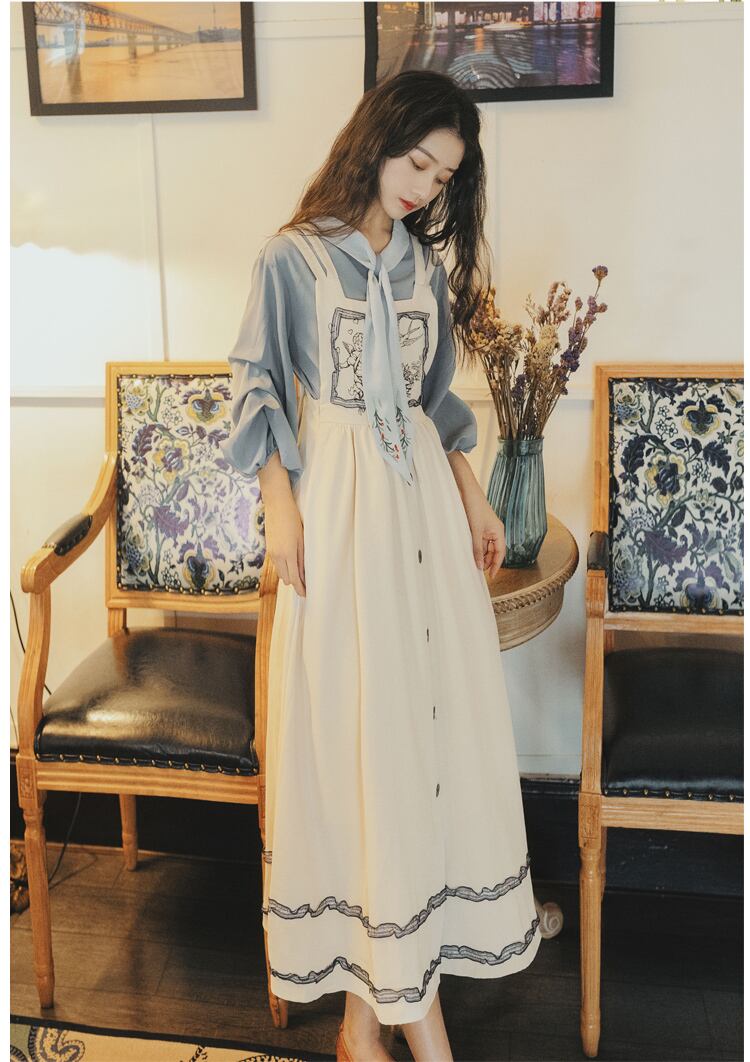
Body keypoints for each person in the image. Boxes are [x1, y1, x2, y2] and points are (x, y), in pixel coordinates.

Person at [220, 69, 541, 1062]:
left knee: (419, 741)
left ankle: (368, 1025)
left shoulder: (420, 269)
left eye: (443, 178)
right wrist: (279, 507)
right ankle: (410, 1028)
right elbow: (255, 383)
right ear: (378, 140)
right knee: (359, 739)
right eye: (417, 163)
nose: (424, 188)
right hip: (340, 516)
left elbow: (436, 402)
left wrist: (475, 493)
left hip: (423, 519)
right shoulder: (292, 258)